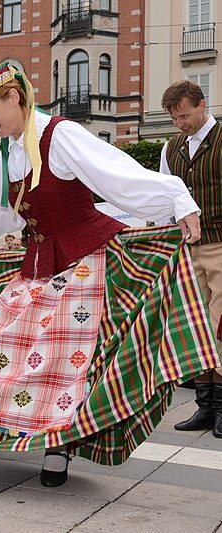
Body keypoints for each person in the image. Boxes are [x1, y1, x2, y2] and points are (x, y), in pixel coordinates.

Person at [0, 62, 220, 491]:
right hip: (38, 267)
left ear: (14, 97)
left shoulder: (60, 134)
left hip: (83, 264)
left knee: (60, 366)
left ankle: (55, 448)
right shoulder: (10, 149)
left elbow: (117, 174)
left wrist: (177, 198)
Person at [159, 80, 222, 438]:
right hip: (186, 248)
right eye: (174, 119)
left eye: (184, 116)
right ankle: (205, 406)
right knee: (195, 325)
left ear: (201, 105)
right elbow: (166, 197)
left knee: (221, 326)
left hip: (220, 243)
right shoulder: (171, 148)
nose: (180, 124)